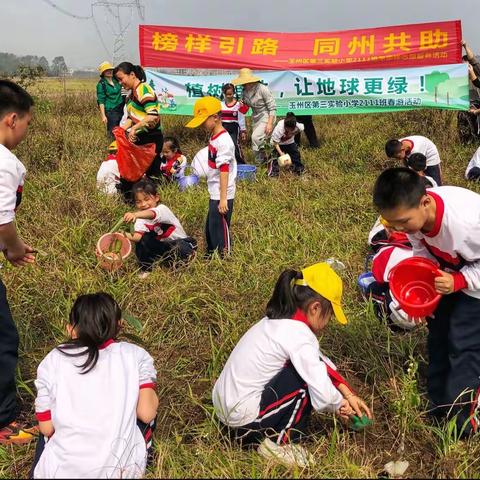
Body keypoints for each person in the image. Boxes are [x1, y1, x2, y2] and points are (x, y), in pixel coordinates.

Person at [212, 262, 372, 467]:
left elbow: (318, 360)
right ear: (315, 308)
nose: (329, 322)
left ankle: (255, 435)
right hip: (243, 420)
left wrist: (347, 393)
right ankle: (278, 443)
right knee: (304, 386)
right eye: (330, 314)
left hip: (225, 409)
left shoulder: (278, 322)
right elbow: (322, 393)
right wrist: (340, 406)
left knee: (303, 371)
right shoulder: (300, 336)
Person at [373, 167, 480, 435]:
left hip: (475, 284)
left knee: (462, 345)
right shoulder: (413, 218)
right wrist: (422, 293)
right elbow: (421, 250)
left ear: (425, 202)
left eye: (403, 222)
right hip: (449, 272)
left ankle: (463, 422)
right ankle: (439, 404)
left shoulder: (467, 225)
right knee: (438, 335)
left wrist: (459, 281)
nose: (399, 229)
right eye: (391, 224)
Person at [31, 293, 158, 478]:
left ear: (71, 330)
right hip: (120, 473)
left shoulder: (53, 359)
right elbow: (146, 414)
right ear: (120, 325)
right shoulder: (135, 355)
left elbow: (46, 428)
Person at [0, 80, 37, 445]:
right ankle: (4, 422)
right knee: (3, 338)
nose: (25, 130)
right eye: (27, 122)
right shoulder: (4, 161)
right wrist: (14, 248)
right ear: (12, 119)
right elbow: (2, 220)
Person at [186, 97, 236, 257]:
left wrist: (223, 199)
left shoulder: (224, 141)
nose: (201, 125)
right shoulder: (214, 137)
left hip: (222, 192)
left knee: (220, 227)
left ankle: (224, 256)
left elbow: (224, 170)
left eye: (204, 120)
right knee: (211, 226)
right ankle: (211, 253)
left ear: (215, 117)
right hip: (214, 189)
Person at [123, 179, 197, 278]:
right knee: (143, 240)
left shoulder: (162, 209)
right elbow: (137, 237)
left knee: (179, 247)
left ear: (156, 197)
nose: (143, 204)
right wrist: (121, 234)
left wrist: (135, 214)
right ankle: (146, 269)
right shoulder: (140, 220)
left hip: (183, 243)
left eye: (147, 199)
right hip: (164, 248)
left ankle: (186, 262)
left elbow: (152, 214)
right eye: (138, 202)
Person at [114, 62, 163, 200]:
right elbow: (132, 117)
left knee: (151, 172)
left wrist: (135, 128)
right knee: (133, 170)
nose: (120, 82)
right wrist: (122, 130)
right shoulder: (130, 95)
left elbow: (153, 115)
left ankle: (153, 201)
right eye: (118, 80)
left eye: (121, 78)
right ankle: (132, 199)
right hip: (141, 138)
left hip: (151, 138)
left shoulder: (144, 90)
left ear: (132, 75)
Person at [231, 68, 276, 165]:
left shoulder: (262, 89)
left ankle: (261, 162)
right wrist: (242, 105)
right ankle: (264, 161)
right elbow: (245, 109)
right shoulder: (244, 92)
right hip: (256, 116)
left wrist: (269, 124)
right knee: (259, 141)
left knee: (255, 137)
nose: (244, 84)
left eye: (245, 82)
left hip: (266, 115)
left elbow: (272, 108)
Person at [269, 112, 305, 177]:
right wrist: (281, 153)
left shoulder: (298, 126)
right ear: (285, 126)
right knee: (274, 158)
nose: (289, 131)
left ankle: (298, 171)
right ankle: (273, 173)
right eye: (287, 129)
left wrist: (292, 134)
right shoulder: (279, 128)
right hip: (277, 143)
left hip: (289, 143)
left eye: (291, 129)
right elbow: (275, 142)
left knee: (295, 155)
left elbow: (301, 129)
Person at [458, 41, 480, 144]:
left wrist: (476, 111)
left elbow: (476, 82)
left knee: (474, 130)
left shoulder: (475, 71)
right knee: (464, 129)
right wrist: (465, 45)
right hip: (462, 107)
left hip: (474, 106)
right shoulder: (457, 76)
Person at [221, 83, 248, 165]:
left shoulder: (238, 105)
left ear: (234, 93)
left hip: (234, 127)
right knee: (223, 145)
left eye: (231, 94)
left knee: (235, 145)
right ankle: (225, 162)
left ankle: (240, 163)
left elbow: (241, 118)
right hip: (223, 127)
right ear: (224, 94)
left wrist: (243, 131)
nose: (229, 96)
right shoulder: (220, 105)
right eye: (227, 94)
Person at [96, 61, 125, 139]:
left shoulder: (116, 80)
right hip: (111, 111)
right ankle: (112, 148)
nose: (110, 71)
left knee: (122, 129)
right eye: (107, 70)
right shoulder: (101, 84)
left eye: (110, 69)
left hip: (121, 108)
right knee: (113, 132)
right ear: (103, 73)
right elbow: (101, 101)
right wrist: (103, 115)